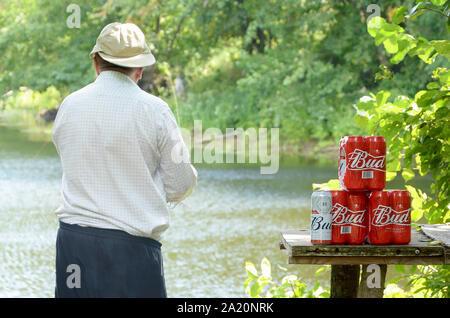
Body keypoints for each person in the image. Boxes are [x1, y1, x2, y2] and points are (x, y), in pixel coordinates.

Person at [52, 22, 197, 297]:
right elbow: (180, 185)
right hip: (133, 251)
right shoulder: (156, 111)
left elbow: (68, 158)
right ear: (140, 70)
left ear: (96, 63)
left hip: (74, 246)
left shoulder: (69, 105)